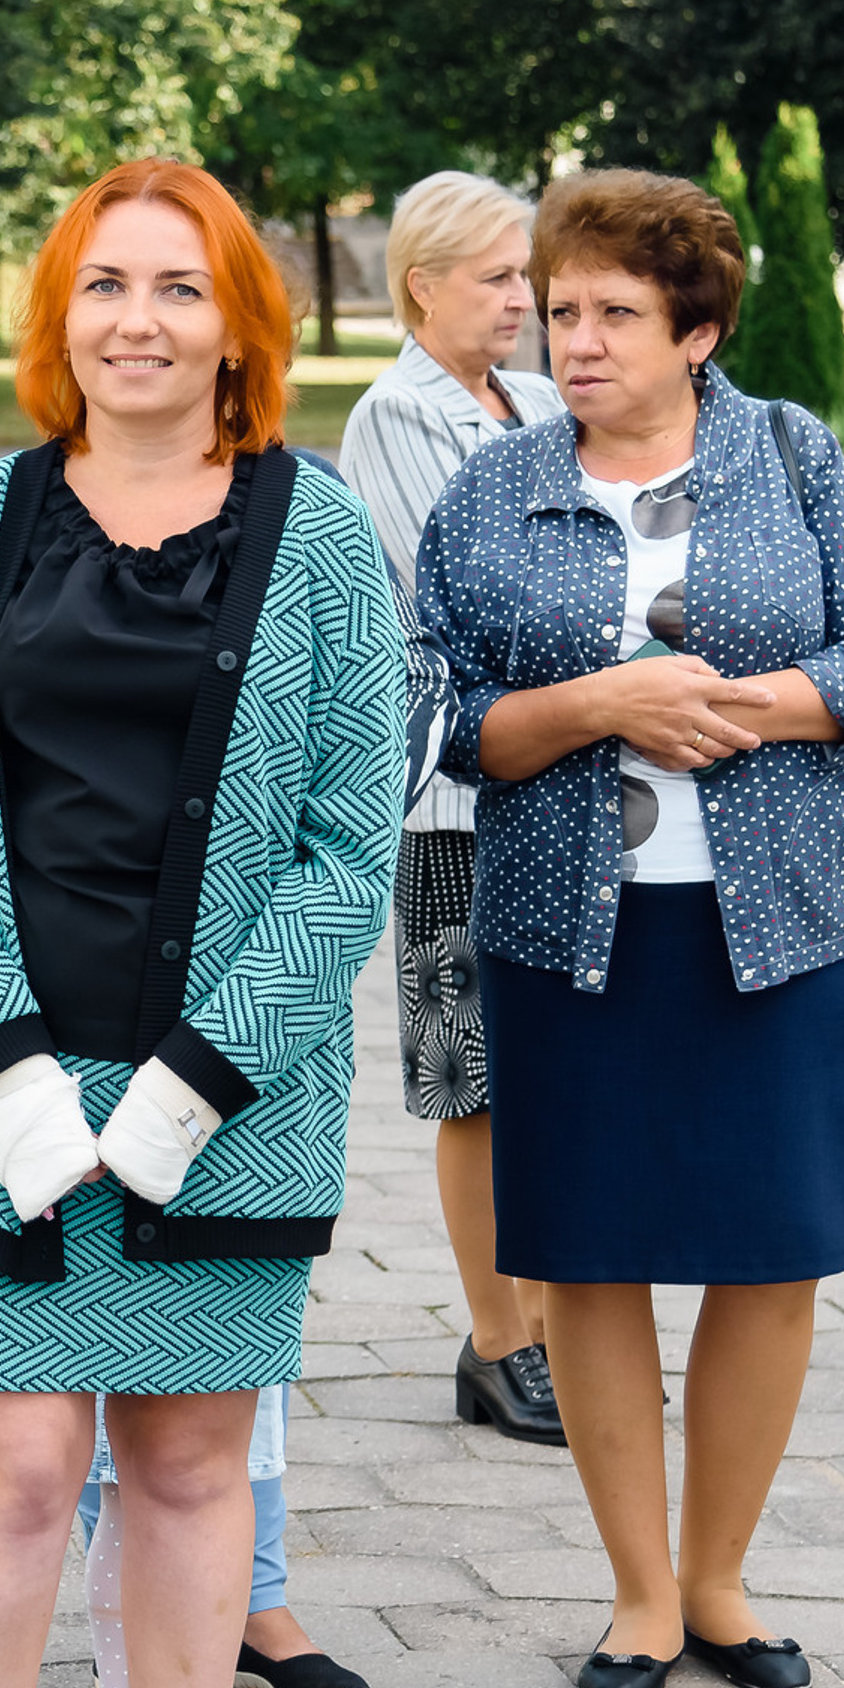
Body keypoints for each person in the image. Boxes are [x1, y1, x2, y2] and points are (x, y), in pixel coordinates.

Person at [0, 160, 404, 1688]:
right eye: (106, 286)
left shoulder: (321, 538)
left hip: (231, 1108)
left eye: (181, 288)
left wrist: (196, 1078)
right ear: (61, 316)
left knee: (186, 1472)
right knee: (15, 1474)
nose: (140, 321)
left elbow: (346, 848)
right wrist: (8, 1065)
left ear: (240, 324)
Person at [417, 168, 844, 1688]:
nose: (573, 341)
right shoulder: (489, 491)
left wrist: (731, 707)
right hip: (565, 938)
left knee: (773, 1259)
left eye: (615, 314)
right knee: (592, 1259)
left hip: (795, 931)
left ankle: (720, 1582)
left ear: (696, 329)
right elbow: (432, 709)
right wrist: (599, 705)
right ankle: (640, 1598)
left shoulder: (796, 454)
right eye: (560, 310)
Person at [340, 171, 566, 1445]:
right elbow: (482, 584)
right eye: (496, 277)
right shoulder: (394, 413)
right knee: (468, 1079)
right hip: (451, 803)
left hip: (563, 789)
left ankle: (550, 1323)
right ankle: (497, 1342)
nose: (522, 299)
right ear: (421, 286)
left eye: (525, 275)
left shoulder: (536, 399)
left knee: (550, 1076)